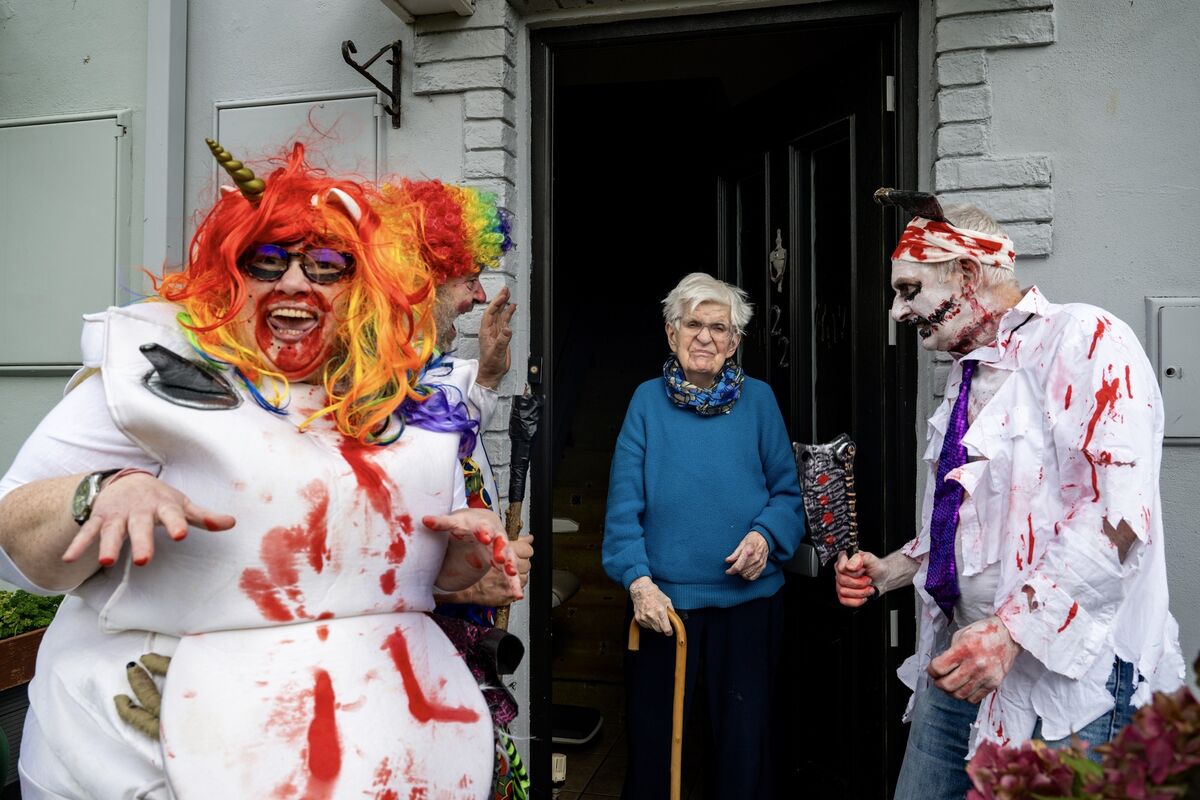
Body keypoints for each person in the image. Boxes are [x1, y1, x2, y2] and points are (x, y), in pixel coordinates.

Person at [0, 141, 524, 799]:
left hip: (361, 757)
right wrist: (98, 492)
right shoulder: (155, 376)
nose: (295, 282)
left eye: (327, 265)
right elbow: (15, 545)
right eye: (266, 261)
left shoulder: (401, 409)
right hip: (144, 758)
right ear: (229, 274)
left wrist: (464, 555)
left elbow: (412, 579)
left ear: (362, 285)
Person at [834, 194, 1185, 800]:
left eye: (909, 289)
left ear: (968, 274)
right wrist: (896, 568)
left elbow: (1120, 518)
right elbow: (973, 522)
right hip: (965, 663)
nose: (896, 310)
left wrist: (1011, 632)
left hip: (1067, 680)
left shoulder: (1089, 338)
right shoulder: (967, 375)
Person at [602, 272, 806, 799]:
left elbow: (788, 496)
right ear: (671, 334)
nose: (706, 337)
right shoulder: (646, 403)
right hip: (664, 610)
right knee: (654, 754)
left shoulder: (759, 402)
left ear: (734, 342)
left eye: (719, 327)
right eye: (693, 324)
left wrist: (765, 537)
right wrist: (638, 582)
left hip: (750, 610)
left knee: (743, 752)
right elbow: (623, 511)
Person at [375, 179, 532, 619]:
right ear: (422, 282)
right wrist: (458, 590)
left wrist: (488, 373)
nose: (480, 296)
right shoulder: (368, 385)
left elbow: (457, 427)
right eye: (470, 281)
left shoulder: (430, 365)